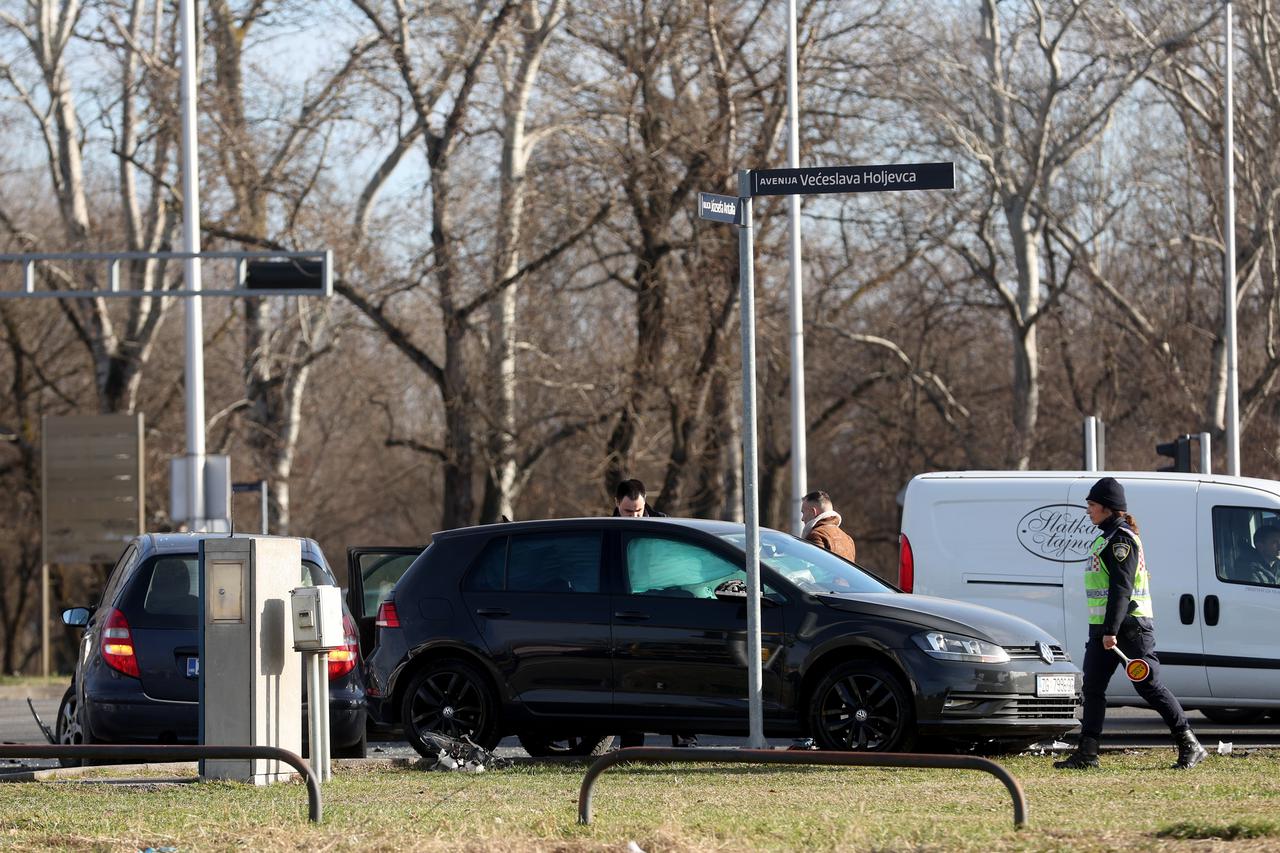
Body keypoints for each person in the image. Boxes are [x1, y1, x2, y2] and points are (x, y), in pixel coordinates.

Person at [1054, 477, 1208, 770]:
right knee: (1094, 688)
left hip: (1128, 628)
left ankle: (1190, 744)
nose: (1088, 511)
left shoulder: (1121, 540)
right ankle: (1087, 753)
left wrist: (1111, 631)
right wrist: (1104, 629)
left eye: (1092, 505)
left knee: (1149, 686)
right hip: (1104, 627)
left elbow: (1121, 589)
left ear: (1107, 508)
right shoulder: (1105, 536)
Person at [610, 478, 695, 748]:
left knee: (675, 675)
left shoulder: (665, 527)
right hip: (629, 614)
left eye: (638, 510)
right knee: (632, 679)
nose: (634, 516)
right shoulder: (608, 530)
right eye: (627, 511)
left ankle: (684, 739)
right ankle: (632, 745)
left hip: (662, 608)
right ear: (616, 504)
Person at [800, 491, 856, 563]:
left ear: (813, 512)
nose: (802, 519)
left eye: (803, 512)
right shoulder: (848, 539)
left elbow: (814, 569)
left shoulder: (817, 535)